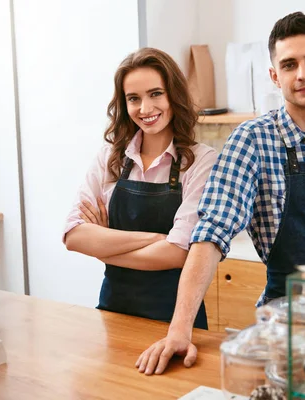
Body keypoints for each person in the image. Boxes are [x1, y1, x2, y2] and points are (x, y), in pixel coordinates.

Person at [135, 12, 305, 375]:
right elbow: (211, 233)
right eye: (289, 64)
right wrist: (179, 330)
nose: (303, 73)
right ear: (275, 76)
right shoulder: (253, 140)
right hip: (288, 317)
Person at [63, 47, 217, 330]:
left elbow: (178, 253)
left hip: (176, 319)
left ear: (174, 94)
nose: (145, 109)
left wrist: (104, 245)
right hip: (113, 312)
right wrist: (158, 239)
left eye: (155, 94)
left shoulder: (201, 161)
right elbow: (73, 235)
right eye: (134, 98)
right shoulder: (110, 156)